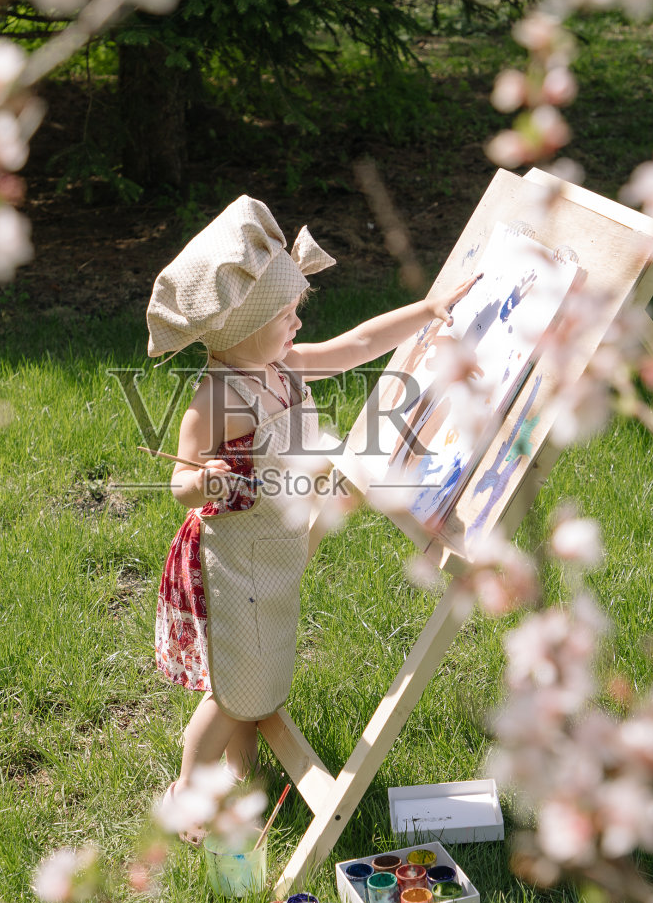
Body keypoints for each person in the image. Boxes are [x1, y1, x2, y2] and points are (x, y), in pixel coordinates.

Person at [145, 195, 478, 840]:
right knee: (235, 690)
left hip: (276, 549)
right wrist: (202, 480)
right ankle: (186, 788)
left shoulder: (281, 365)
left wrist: (426, 313)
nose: (298, 321)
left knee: (257, 666)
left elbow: (354, 345)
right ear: (239, 328)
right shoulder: (217, 398)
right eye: (286, 312)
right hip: (234, 557)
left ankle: (240, 771)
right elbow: (179, 479)